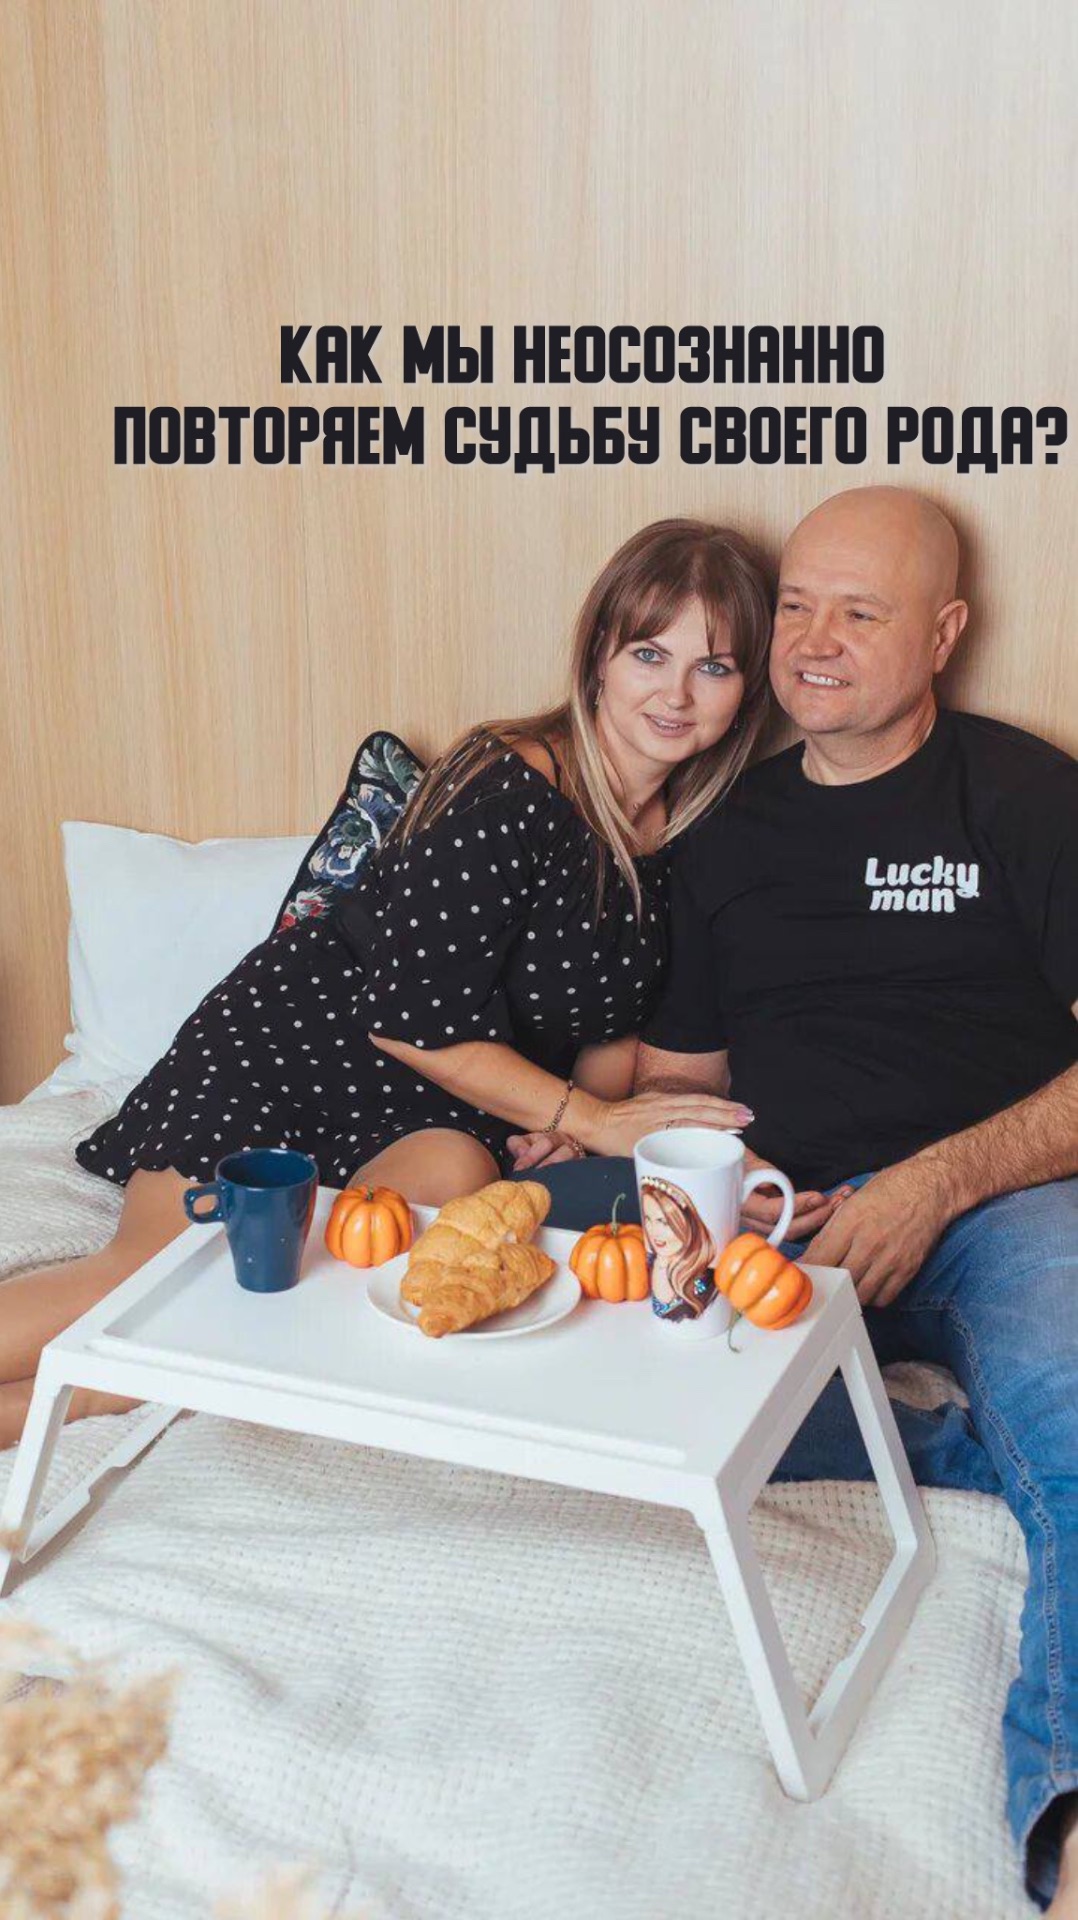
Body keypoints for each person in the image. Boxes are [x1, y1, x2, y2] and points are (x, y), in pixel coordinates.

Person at [543, 486, 1075, 1915]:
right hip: (783, 1212)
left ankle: (1068, 1819)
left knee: (1075, 1413)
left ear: (944, 635)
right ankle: (951, 1453)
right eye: (795, 606)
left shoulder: (1025, 796)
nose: (814, 640)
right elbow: (685, 1077)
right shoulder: (725, 832)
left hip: (1005, 1203)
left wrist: (936, 1181)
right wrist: (661, 1157)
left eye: (861, 611)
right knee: (572, 1322)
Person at [0, 517, 774, 1449]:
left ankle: (78, 1398)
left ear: (746, 689)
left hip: (445, 1113)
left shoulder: (686, 834)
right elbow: (409, 1024)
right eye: (650, 653)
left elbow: (610, 1020)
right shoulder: (511, 782)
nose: (676, 693)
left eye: (713, 666)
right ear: (599, 655)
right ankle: (76, 1382)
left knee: (276, 1300)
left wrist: (565, 1132)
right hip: (302, 1048)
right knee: (157, 1277)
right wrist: (595, 1119)